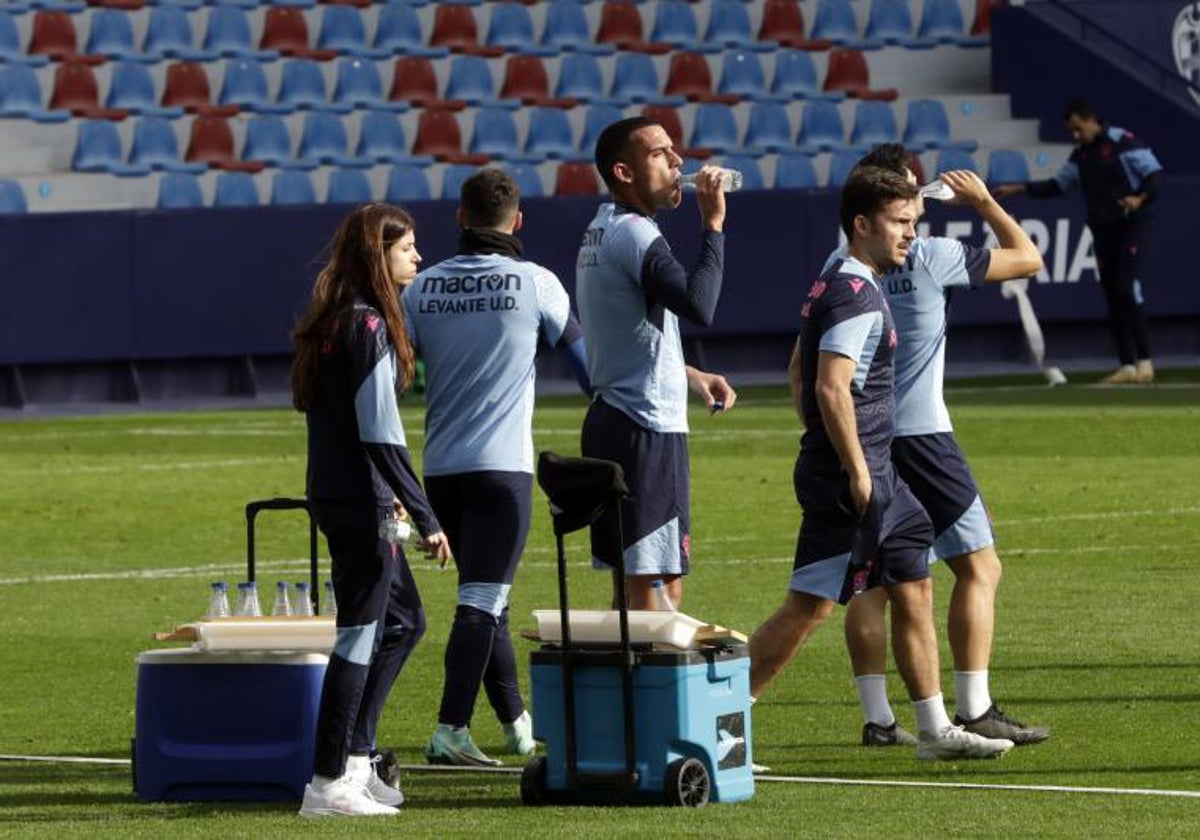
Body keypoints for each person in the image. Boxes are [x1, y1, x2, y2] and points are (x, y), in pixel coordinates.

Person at [749, 166, 1013, 761]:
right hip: (855, 475)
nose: (910, 236)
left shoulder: (843, 280)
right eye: (899, 223)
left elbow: (801, 372)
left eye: (914, 224)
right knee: (809, 606)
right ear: (862, 224)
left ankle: (935, 728)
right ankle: (720, 722)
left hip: (880, 472)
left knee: (914, 582)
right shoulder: (853, 292)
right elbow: (830, 388)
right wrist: (855, 469)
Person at [824, 145, 1050, 749]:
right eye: (909, 201)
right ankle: (974, 707)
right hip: (923, 434)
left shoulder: (839, 265)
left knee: (872, 581)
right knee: (980, 565)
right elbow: (1029, 258)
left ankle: (878, 720)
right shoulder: (932, 256)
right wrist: (983, 201)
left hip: (862, 435)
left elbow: (807, 364)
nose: (914, 213)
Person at [402, 169, 591, 767]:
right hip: (503, 471)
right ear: (518, 221)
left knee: (490, 601)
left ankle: (515, 725)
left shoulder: (420, 288)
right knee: (481, 603)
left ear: (459, 218)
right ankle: (450, 730)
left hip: (441, 471)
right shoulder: (537, 283)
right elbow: (589, 370)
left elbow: (397, 374)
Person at [292, 204, 452, 817]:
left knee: (405, 622)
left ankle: (355, 761)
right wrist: (426, 515)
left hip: (345, 496)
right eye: (407, 247)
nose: (417, 256)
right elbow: (381, 433)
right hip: (361, 503)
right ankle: (328, 783)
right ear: (377, 255)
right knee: (359, 635)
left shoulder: (337, 320)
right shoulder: (366, 327)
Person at [575, 116, 738, 611]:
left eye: (674, 150)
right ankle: (647, 691)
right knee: (657, 591)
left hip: (618, 418)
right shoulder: (635, 233)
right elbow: (699, 305)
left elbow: (625, 332)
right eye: (659, 153)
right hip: (643, 427)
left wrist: (688, 373)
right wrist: (713, 224)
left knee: (635, 589)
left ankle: (624, 688)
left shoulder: (603, 229)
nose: (677, 162)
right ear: (624, 173)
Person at [993, 99, 1163, 384]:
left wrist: (1140, 198)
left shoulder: (1122, 142)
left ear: (1091, 119)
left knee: (1126, 288)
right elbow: (1058, 185)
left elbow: (1154, 175)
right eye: (1071, 131)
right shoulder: (1081, 156)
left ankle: (1145, 361)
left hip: (1132, 226)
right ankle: (1127, 365)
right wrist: (1018, 189)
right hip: (1102, 230)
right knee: (1112, 293)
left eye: (1078, 128)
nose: (1075, 135)